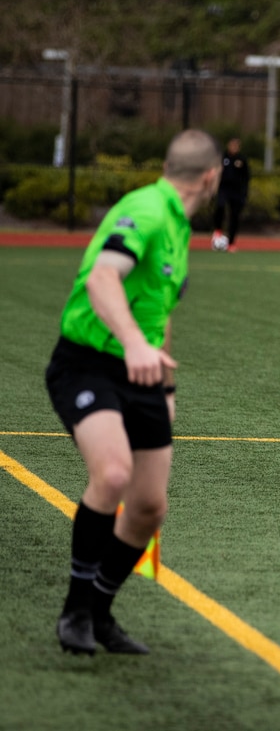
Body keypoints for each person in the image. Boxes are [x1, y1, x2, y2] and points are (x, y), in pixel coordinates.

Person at [46, 129, 222, 655]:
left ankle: (101, 612)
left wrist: (164, 382)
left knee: (148, 506)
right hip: (88, 365)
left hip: (145, 374)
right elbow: (103, 280)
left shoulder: (179, 226)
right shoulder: (145, 210)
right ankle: (74, 611)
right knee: (114, 473)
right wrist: (132, 346)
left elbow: (157, 312)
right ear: (211, 177)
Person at [211, 137, 249, 252]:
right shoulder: (223, 158)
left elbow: (246, 177)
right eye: (231, 145)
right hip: (224, 189)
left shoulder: (242, 159)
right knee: (220, 206)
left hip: (237, 192)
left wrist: (244, 193)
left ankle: (231, 243)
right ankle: (218, 230)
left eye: (235, 146)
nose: (233, 148)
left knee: (234, 216)